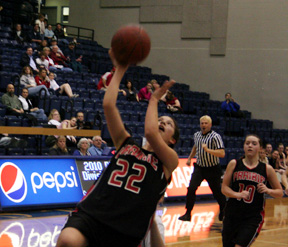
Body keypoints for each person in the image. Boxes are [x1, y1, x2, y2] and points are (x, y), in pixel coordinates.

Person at [56, 50, 179, 247]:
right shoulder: (127, 143)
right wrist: (120, 70)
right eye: (160, 119)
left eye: (168, 123)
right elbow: (108, 105)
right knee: (68, 240)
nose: (162, 122)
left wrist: (154, 99)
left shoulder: (169, 161)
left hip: (127, 227)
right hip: (96, 211)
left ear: (172, 140)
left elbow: (149, 132)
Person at [221, 134, 283, 247]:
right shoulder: (234, 164)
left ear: (260, 148)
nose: (250, 146)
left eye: (254, 144)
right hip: (232, 215)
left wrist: (268, 190)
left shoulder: (266, 169)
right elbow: (224, 188)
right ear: (244, 146)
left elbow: (279, 192)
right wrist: (237, 194)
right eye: (247, 143)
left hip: (252, 217)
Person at [178, 115, 226, 222]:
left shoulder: (215, 136)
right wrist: (190, 158)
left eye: (206, 123)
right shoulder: (197, 135)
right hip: (199, 167)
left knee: (216, 191)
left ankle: (224, 208)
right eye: (202, 123)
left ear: (210, 125)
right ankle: (188, 213)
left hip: (212, 168)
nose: (203, 125)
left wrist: (208, 150)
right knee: (191, 189)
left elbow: (222, 153)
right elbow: (196, 146)